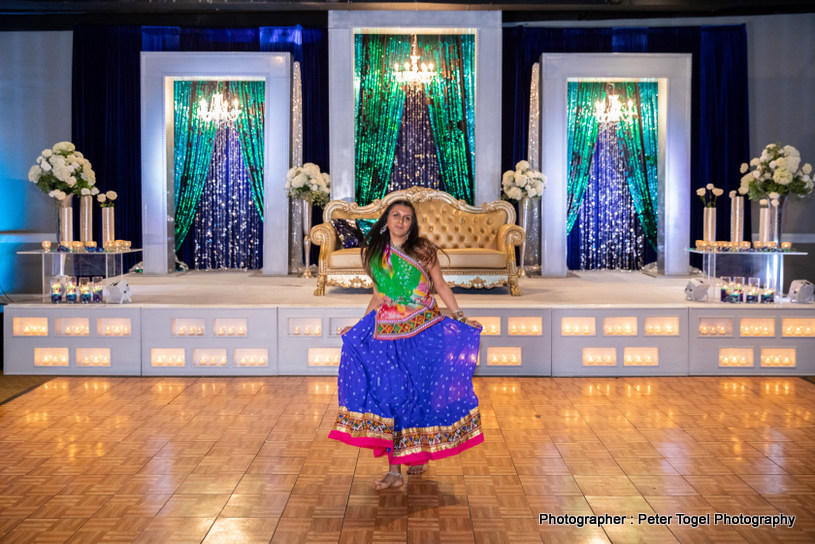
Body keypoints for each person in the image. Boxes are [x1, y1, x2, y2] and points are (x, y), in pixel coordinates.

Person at [328, 199, 484, 490]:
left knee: (421, 394)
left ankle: (418, 451)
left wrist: (460, 317)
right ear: (386, 219)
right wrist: (361, 324)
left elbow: (440, 285)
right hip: (388, 336)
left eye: (407, 218)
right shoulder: (376, 254)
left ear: (412, 224)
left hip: (424, 331)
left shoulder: (423, 250)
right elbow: (379, 296)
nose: (401, 221)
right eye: (396, 215)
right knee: (393, 397)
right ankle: (394, 472)